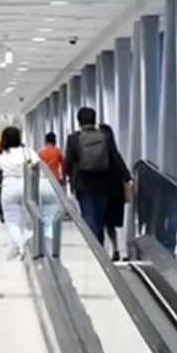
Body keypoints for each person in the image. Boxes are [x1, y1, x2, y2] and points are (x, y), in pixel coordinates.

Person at [68, 107, 126, 253]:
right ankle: (99, 246)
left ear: (79, 121)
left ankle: (94, 249)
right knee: (100, 217)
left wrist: (71, 180)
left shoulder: (74, 138)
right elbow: (114, 156)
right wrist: (127, 177)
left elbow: (68, 161)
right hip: (103, 183)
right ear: (94, 119)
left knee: (88, 215)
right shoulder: (105, 136)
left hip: (83, 183)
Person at [0, 125, 37, 259]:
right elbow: (37, 165)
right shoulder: (28, 152)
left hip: (9, 186)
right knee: (22, 219)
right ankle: (14, 248)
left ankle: (21, 246)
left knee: (11, 221)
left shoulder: (1, 155)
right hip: (26, 185)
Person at [98, 122, 133, 261]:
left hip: (101, 190)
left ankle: (103, 249)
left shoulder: (99, 152)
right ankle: (115, 248)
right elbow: (120, 165)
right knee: (110, 223)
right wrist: (128, 178)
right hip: (115, 191)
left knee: (100, 221)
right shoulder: (114, 151)